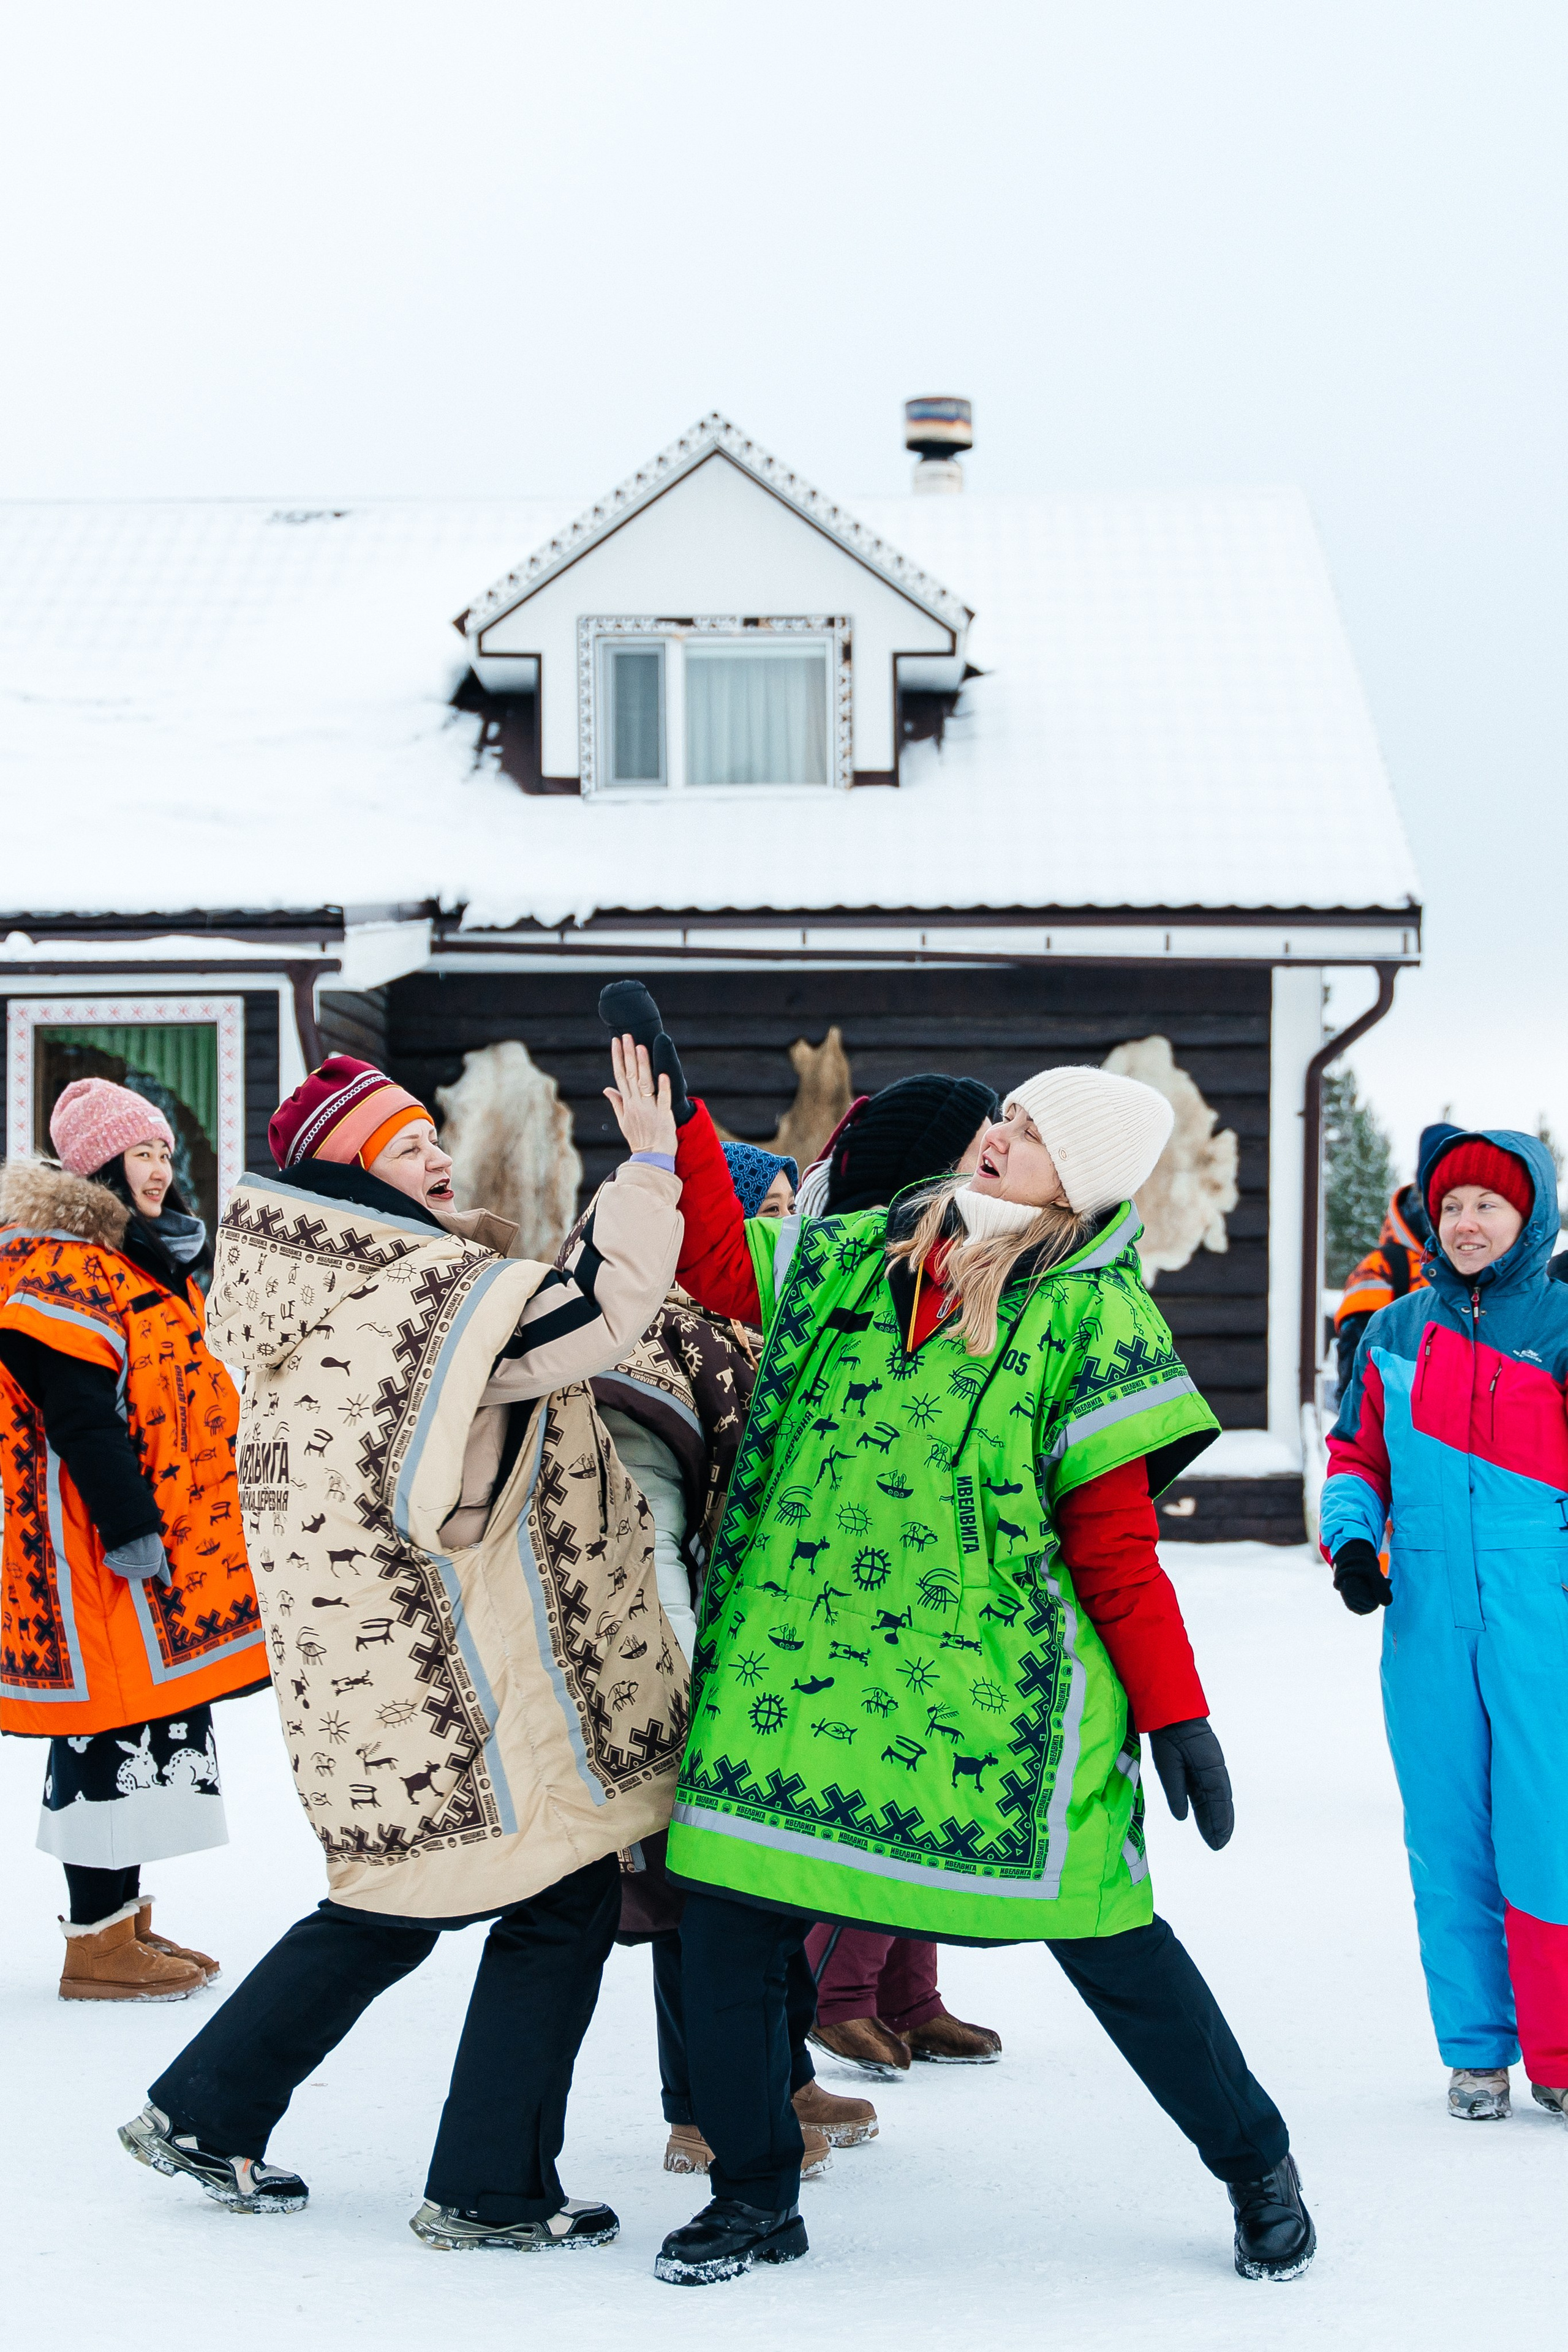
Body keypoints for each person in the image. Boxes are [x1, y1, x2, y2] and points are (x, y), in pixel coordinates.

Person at [600, 1005, 1314, 2288]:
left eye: (1032, 1134)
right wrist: (681, 1118)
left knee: (1106, 1936)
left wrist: (1176, 1714)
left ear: (1076, 1182)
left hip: (991, 1703)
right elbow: (716, 1263)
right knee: (728, 1929)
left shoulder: (1093, 1319)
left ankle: (1255, 2163)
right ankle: (753, 2194)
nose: (999, 1133)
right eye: (1007, 1115)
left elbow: (1114, 1551)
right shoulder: (859, 1254)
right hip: (789, 1680)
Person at [117, 1049, 688, 2249]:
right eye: (404, 1142)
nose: (435, 1152)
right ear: (349, 1169)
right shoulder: (417, 1298)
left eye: (431, 1132)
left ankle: (209, 2107)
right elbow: (589, 1318)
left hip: (378, 1680)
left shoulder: (317, 1293)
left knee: (408, 1892)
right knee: (546, 1894)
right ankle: (487, 2187)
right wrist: (646, 1168)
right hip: (462, 1671)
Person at [1321, 1128, 1568, 2128]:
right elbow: (1356, 1456)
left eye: (1488, 1207)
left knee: (1547, 1831)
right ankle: (1474, 2051)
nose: (1466, 1224)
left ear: (1528, 1216)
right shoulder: (1394, 1329)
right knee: (1445, 1833)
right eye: (1452, 1206)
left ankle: (1559, 2051)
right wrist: (1352, 1541)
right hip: (1425, 1613)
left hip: (1541, 1609)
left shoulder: (1560, 1323)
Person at [0, 1077, 264, 2000]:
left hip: (137, 1547)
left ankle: (124, 1923)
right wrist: (130, 1528)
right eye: (140, 1153)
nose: (159, 1169)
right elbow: (80, 1419)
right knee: (106, 1736)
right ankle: (96, 1945)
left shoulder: (134, 1264)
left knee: (147, 1730)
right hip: (88, 1551)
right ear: (99, 1167)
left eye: (164, 1153)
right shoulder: (55, 1271)